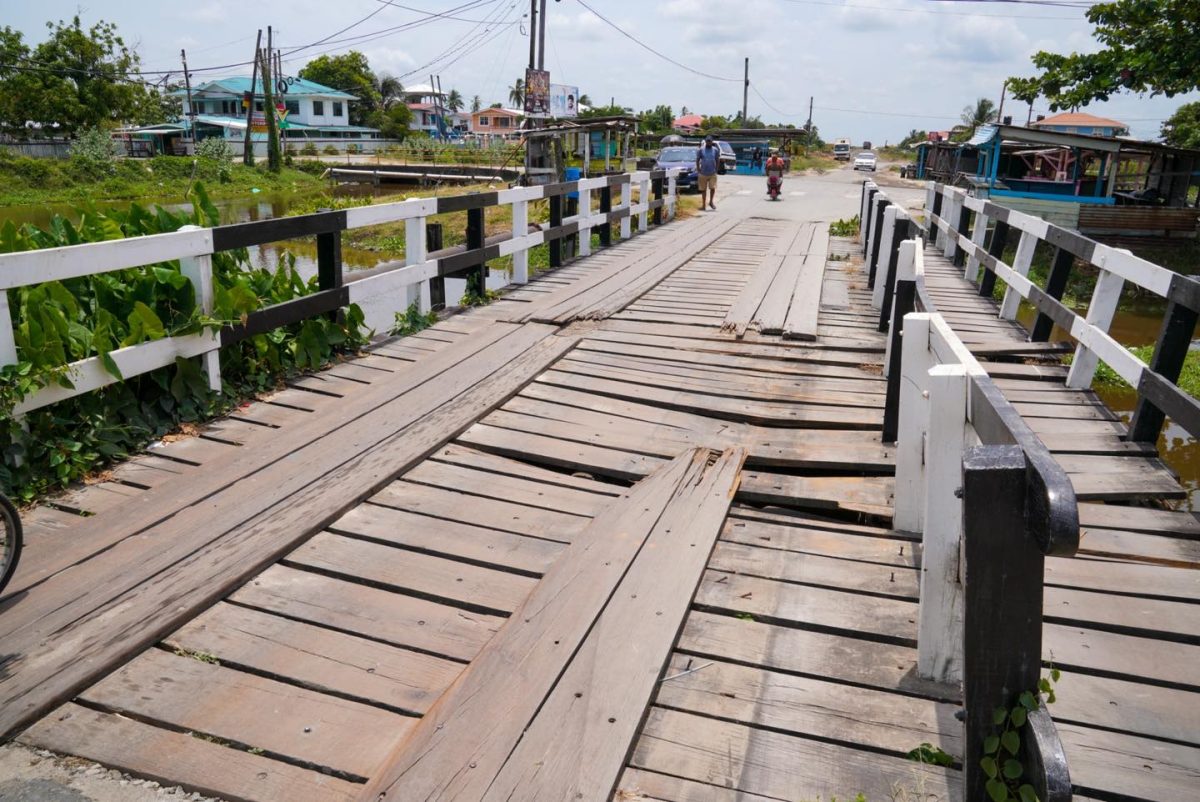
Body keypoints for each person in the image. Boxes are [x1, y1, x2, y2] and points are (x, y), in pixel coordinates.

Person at [696, 134, 720, 210]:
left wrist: (716, 169)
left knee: (712, 188)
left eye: (710, 141)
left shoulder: (715, 150)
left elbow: (717, 159)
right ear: (705, 141)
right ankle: (703, 205)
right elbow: (697, 159)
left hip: (712, 173)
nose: (708, 142)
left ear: (712, 142)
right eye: (707, 141)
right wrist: (698, 169)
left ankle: (711, 202)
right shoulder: (701, 149)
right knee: (703, 189)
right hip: (703, 173)